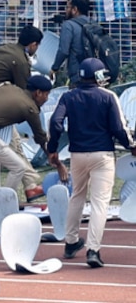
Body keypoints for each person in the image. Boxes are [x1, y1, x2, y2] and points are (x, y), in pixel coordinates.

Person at [48, 58, 136, 268]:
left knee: (77, 196)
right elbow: (118, 128)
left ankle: (70, 242)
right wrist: (131, 145)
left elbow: (56, 122)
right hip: (102, 154)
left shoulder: (68, 96)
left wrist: (52, 149)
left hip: (78, 154)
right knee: (99, 203)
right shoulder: (108, 96)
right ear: (98, 76)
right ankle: (93, 249)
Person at [50, 0, 92, 81]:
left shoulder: (68, 25)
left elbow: (63, 51)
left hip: (77, 72)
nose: (66, 10)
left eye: (67, 7)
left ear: (75, 9)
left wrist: (54, 68)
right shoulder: (93, 23)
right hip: (93, 70)